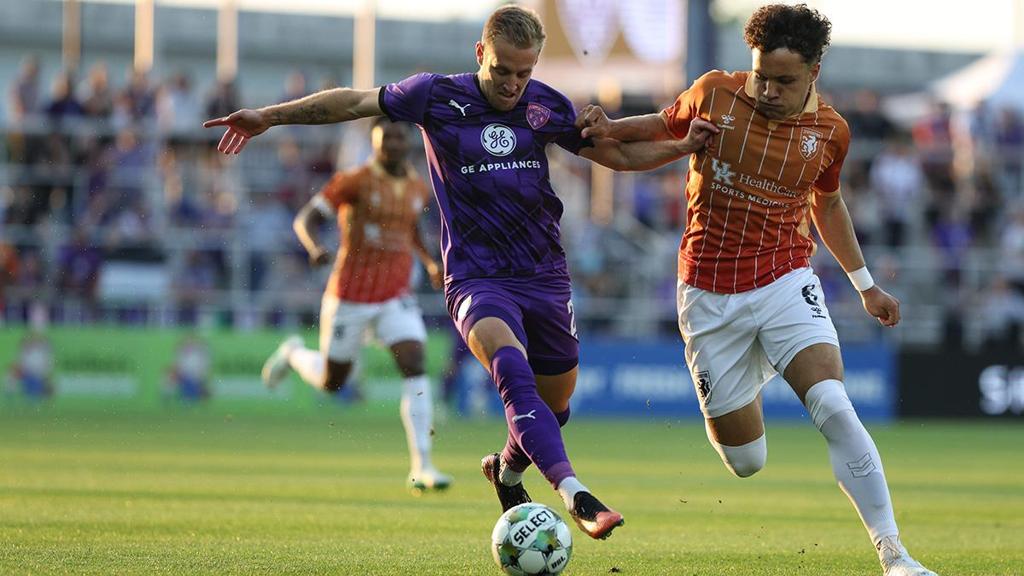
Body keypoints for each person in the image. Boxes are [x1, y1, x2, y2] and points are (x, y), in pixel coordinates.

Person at [205, 4, 716, 539]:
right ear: (480, 53)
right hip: (477, 278)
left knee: (554, 406)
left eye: (524, 72)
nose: (513, 84)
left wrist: (681, 147)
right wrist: (269, 116)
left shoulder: (545, 104)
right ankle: (575, 493)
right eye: (502, 70)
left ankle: (506, 470)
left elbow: (618, 157)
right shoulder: (434, 95)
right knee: (511, 371)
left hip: (544, 275)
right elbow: (353, 102)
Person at [576, 4, 937, 574]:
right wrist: (608, 128)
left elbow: (828, 203)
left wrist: (865, 286)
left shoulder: (831, 133)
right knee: (746, 461)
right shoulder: (715, 93)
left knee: (833, 404)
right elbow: (659, 127)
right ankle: (757, 369)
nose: (767, 90)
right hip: (707, 294)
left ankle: (895, 556)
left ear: (814, 72)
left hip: (784, 280)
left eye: (783, 81)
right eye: (761, 75)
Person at [260, 117, 452, 494]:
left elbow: (411, 227)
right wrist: (315, 247)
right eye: (385, 139)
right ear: (374, 143)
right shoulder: (354, 181)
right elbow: (306, 219)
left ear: (408, 142)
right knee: (333, 382)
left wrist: (430, 261)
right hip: (350, 295)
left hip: (395, 295)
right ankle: (294, 353)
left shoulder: (417, 186)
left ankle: (423, 465)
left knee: (414, 362)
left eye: (398, 138)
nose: (392, 144)